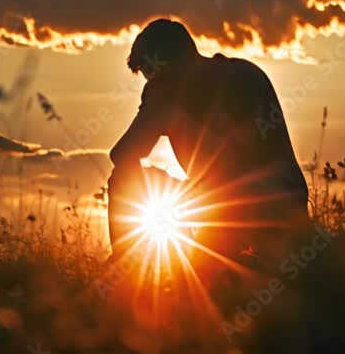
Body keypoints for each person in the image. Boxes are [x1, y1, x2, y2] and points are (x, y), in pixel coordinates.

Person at [107, 19, 309, 270]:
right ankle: (129, 269)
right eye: (149, 80)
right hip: (228, 206)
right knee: (123, 177)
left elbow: (238, 163)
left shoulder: (241, 79)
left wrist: (168, 112)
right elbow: (122, 156)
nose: (152, 86)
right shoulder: (228, 77)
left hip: (269, 205)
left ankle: (134, 271)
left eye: (156, 78)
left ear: (183, 60)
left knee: (209, 278)